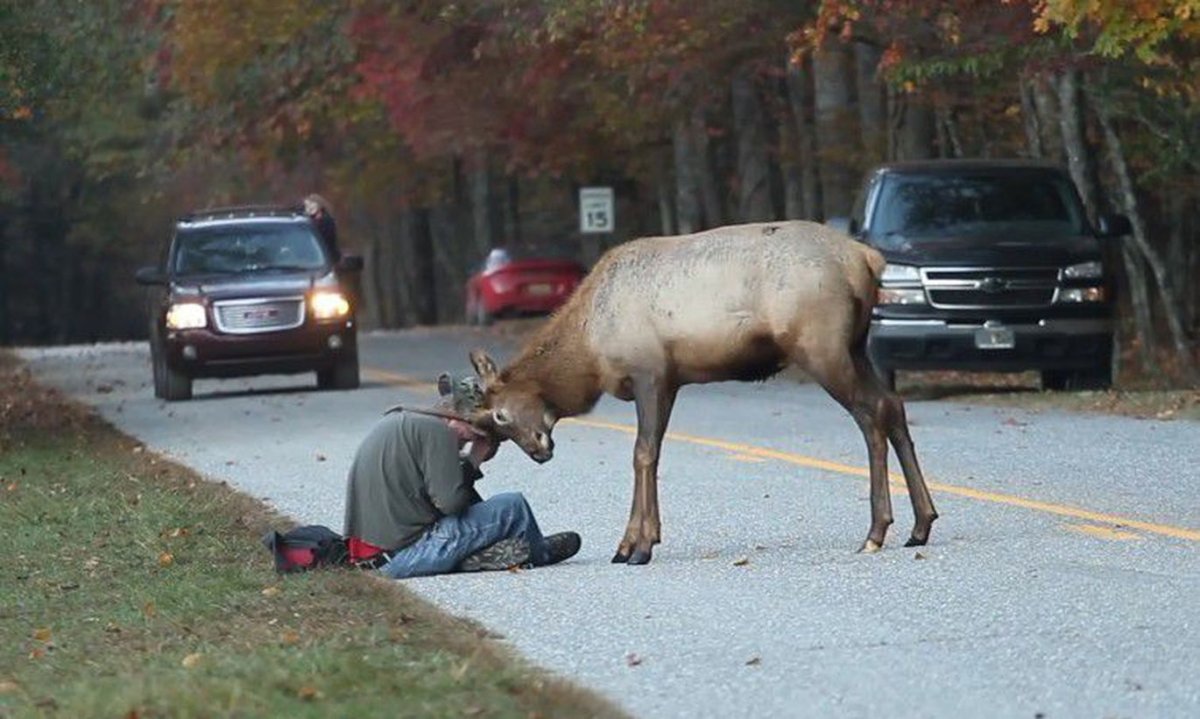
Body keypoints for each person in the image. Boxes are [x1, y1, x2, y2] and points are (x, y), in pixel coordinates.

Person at [342, 373, 581, 579]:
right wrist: (474, 458)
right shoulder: (437, 432)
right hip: (402, 557)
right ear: (458, 419)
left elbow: (452, 501)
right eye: (476, 433)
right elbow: (452, 504)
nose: (471, 440)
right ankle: (539, 553)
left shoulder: (405, 422)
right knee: (513, 506)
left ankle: (476, 555)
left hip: (371, 559)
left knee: (484, 512)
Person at [301, 193, 340, 260]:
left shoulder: (326, 221)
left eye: (311, 205)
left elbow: (325, 240)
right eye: (306, 206)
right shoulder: (305, 221)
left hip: (325, 258)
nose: (308, 208)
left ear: (319, 206)